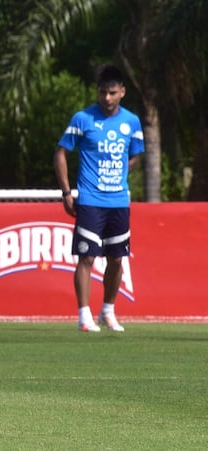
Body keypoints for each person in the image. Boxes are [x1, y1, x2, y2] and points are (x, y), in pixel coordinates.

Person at [53, 64, 145, 333]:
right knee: (87, 258)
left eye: (112, 93)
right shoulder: (83, 119)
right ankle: (84, 316)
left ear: (122, 92)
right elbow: (61, 152)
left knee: (117, 260)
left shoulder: (132, 122)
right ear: (97, 91)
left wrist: (121, 172)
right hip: (90, 200)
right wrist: (67, 192)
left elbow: (136, 154)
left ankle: (108, 310)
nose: (107, 98)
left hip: (118, 201)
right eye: (103, 92)